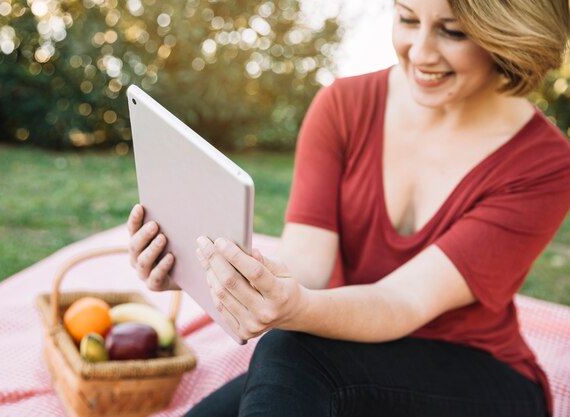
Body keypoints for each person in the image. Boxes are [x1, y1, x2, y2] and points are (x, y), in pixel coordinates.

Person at [127, 0, 570, 415]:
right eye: (408, 19)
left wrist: (295, 308)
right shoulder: (343, 105)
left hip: (478, 376)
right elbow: (306, 269)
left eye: (452, 32)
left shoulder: (544, 164)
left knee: (289, 346)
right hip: (343, 353)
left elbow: (403, 301)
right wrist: (203, 270)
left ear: (506, 37)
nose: (420, 52)